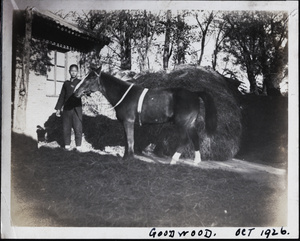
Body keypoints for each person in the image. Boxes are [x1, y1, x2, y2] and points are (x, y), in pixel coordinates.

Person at [55, 64, 83, 151]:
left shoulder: (80, 82)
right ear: (69, 72)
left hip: (77, 109)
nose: (73, 72)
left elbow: (86, 91)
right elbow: (62, 96)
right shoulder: (66, 83)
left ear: (77, 72)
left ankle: (78, 147)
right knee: (66, 128)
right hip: (67, 109)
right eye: (72, 71)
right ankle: (67, 146)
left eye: (75, 71)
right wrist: (58, 109)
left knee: (78, 128)